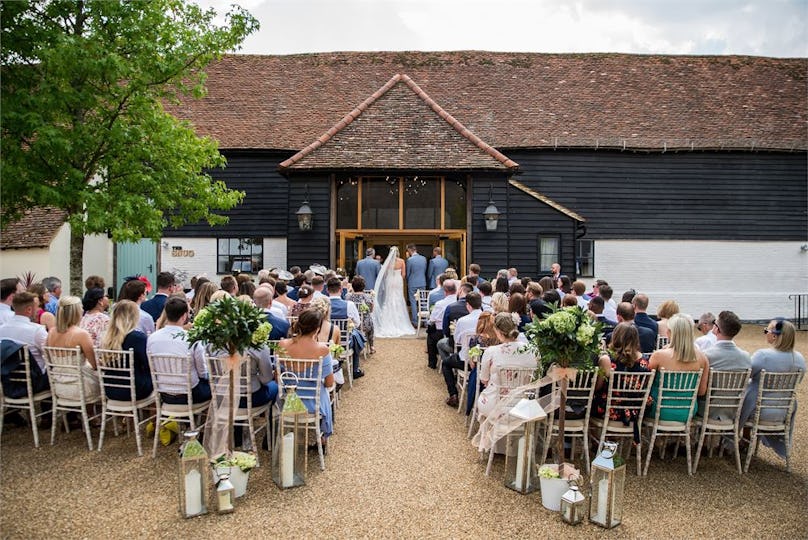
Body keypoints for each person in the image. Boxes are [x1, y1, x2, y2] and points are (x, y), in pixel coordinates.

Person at [739, 318, 806, 459]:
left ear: (775, 335)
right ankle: (745, 441)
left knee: (746, 394)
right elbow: (797, 382)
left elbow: (745, 376)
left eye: (766, 331)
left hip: (758, 411)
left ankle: (740, 439)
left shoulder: (763, 355)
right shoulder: (799, 359)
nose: (765, 334)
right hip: (784, 412)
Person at [277, 309, 334, 447]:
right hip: (313, 405)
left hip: (288, 401)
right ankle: (322, 438)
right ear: (317, 328)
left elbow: (277, 376)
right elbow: (329, 383)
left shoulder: (282, 345)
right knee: (326, 392)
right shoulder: (323, 349)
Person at [147, 297, 211, 404]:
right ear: (184, 316)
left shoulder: (152, 338)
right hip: (191, 394)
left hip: (164, 393)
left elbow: (152, 366)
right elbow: (202, 373)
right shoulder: (192, 339)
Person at [647, 313, 709, 421]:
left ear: (671, 333)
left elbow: (646, 384)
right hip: (688, 411)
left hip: (658, 410)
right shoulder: (702, 358)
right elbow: (701, 392)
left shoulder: (658, 356)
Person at [475, 313, 538, 418]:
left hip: (495, 403)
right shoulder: (533, 350)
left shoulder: (491, 351)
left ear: (499, 332)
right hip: (524, 403)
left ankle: (490, 431)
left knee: (486, 394)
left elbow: (484, 379)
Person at [592, 323, 651, 423]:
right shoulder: (645, 361)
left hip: (609, 410)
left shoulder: (606, 360)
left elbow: (597, 387)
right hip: (636, 412)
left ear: (615, 337)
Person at [46, 296, 101, 402]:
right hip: (80, 387)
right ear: (76, 312)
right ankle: (90, 414)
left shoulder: (51, 332)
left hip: (58, 386)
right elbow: (95, 365)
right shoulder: (81, 334)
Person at [701, 310, 752, 420]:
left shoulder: (706, 355)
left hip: (707, 410)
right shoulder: (746, 357)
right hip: (733, 410)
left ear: (717, 329)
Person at [99, 300, 153, 401]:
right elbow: (148, 364)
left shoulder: (107, 337)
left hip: (110, 388)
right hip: (135, 389)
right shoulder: (138, 338)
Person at [372, 246, 416, 337]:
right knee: (398, 298)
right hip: (398, 280)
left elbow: (384, 274)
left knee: (389, 298)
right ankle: (400, 322)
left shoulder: (387, 262)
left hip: (389, 280)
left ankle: (387, 322)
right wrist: (399, 278)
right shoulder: (402, 261)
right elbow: (403, 274)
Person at [346, 275, 375, 354]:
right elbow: (371, 310)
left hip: (352, 324)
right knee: (370, 322)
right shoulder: (368, 297)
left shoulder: (348, 296)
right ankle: (371, 346)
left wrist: (349, 290)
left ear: (353, 286)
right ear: (363, 286)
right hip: (365, 324)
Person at [405, 244, 427, 325]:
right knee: (423, 301)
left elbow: (408, 273)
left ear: (410, 250)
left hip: (412, 282)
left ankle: (415, 321)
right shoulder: (423, 258)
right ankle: (425, 321)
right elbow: (424, 270)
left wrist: (407, 281)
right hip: (422, 281)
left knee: (413, 302)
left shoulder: (410, 260)